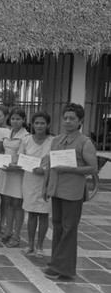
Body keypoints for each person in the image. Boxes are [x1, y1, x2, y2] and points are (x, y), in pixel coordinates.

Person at [43, 103, 97, 280]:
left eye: (72, 118)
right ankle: (57, 261)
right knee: (58, 226)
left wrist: (70, 169)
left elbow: (92, 168)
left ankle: (63, 267)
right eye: (65, 118)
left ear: (80, 121)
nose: (67, 121)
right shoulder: (56, 140)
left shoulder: (85, 142)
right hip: (57, 189)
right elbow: (50, 165)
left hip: (73, 192)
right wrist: (46, 186)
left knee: (69, 228)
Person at [0, 107, 30, 247]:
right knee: (8, 202)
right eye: (13, 119)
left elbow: (25, 156)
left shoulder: (26, 136)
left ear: (23, 120)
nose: (15, 121)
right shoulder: (7, 133)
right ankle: (7, 231)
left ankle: (16, 235)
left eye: (18, 119)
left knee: (18, 205)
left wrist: (15, 166)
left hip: (17, 173)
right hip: (5, 171)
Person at [19, 111, 53, 258]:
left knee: (44, 214)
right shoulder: (26, 140)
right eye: (37, 123)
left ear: (48, 125)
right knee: (32, 213)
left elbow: (56, 161)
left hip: (46, 181)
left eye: (42, 123)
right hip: (30, 180)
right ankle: (30, 244)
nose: (39, 126)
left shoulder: (53, 141)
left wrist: (45, 170)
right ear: (32, 124)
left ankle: (40, 246)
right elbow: (21, 159)